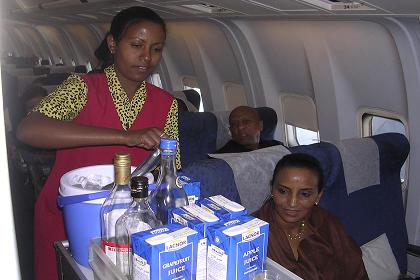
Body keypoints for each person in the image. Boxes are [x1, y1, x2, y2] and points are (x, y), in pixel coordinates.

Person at [16, 6, 180, 280]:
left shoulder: (167, 105)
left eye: (156, 49)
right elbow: (28, 129)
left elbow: (171, 170)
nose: (146, 57)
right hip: (70, 221)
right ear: (113, 44)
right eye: (137, 45)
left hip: (132, 223)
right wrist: (126, 137)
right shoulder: (81, 88)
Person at [255, 153, 368, 279]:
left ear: (318, 196)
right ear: (272, 189)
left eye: (304, 194)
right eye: (283, 191)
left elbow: (356, 272)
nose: (292, 203)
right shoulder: (251, 234)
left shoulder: (327, 224)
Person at [216, 105, 282, 153]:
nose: (240, 127)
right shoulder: (223, 157)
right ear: (230, 131)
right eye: (234, 124)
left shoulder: (276, 147)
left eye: (246, 122)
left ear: (260, 125)